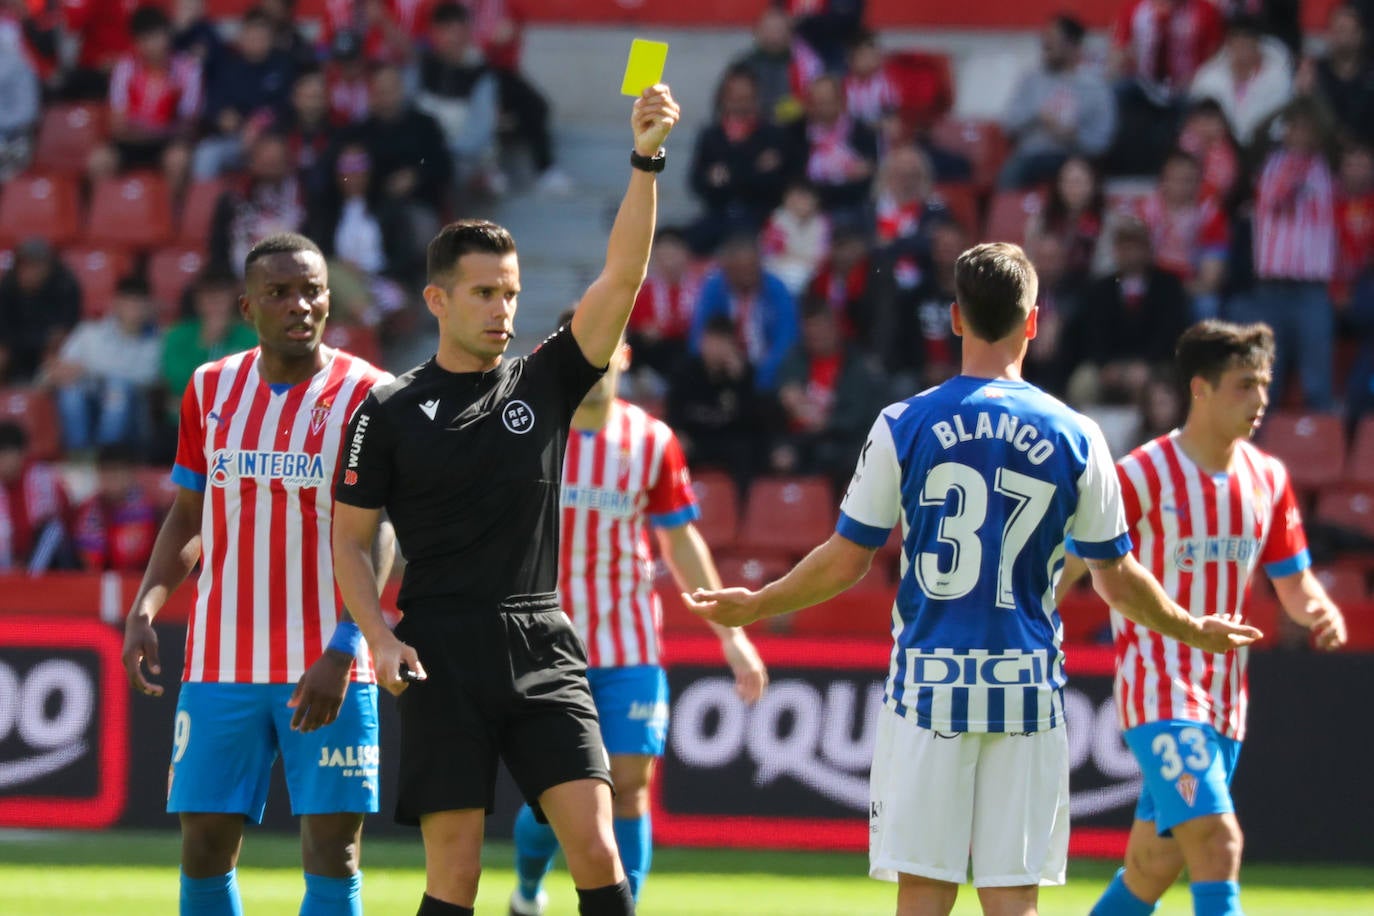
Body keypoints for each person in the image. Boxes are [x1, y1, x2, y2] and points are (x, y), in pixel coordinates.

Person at [684, 241, 1262, 916]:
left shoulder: (904, 423)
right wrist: (1192, 627)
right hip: (1025, 696)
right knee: (1012, 904)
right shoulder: (1077, 435)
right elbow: (1118, 577)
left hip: (929, 690)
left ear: (955, 319)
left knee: (924, 899)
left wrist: (758, 603)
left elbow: (847, 559)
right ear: (1034, 321)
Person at [329, 85, 681, 916]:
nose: (501, 309)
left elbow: (623, 273)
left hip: (541, 640)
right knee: (454, 878)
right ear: (437, 300)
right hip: (439, 651)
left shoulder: (546, 382)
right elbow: (349, 541)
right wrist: (376, 637)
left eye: (511, 293)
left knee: (596, 850)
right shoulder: (385, 410)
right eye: (483, 293)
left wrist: (645, 158)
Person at [120, 232, 395, 916]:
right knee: (205, 847)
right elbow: (189, 518)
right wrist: (146, 606)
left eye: (313, 291)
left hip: (329, 661)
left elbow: (385, 531)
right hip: (220, 663)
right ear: (248, 307)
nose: (300, 305)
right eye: (280, 293)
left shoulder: (370, 394)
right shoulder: (210, 388)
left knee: (334, 853)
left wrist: (346, 646)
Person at [1060, 320, 1348, 916]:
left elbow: (1293, 582)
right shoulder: (1141, 474)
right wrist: (1028, 616)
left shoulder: (1267, 478)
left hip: (1225, 701)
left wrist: (1318, 610)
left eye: (1265, 385)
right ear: (1201, 389)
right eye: (1245, 385)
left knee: (1151, 868)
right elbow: (1075, 561)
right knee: (1219, 845)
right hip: (1162, 693)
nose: (1261, 401)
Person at [509, 310, 768, 914]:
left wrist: (731, 636)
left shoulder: (651, 440)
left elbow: (680, 542)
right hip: (546, 648)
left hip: (628, 646)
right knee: (556, 798)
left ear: (624, 357)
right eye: (583, 347)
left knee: (629, 787)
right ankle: (525, 893)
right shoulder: (529, 433)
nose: (597, 359)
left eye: (608, 346)